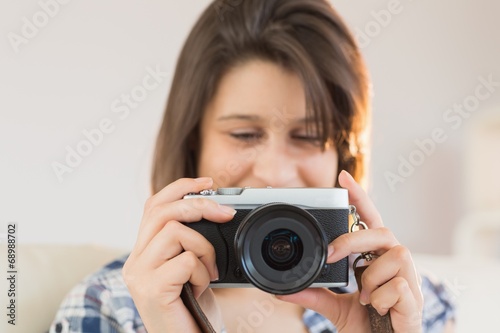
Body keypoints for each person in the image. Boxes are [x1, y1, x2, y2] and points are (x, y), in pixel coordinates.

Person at [50, 0, 455, 332]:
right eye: (244, 135)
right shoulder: (107, 308)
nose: (275, 173)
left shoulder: (412, 306)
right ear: (193, 146)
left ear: (343, 155)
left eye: (309, 137)